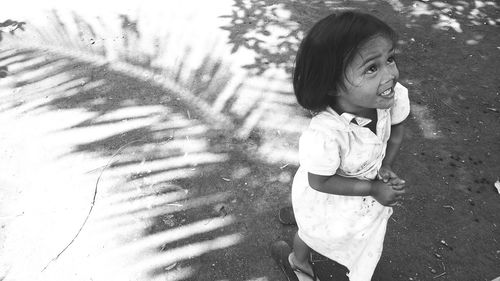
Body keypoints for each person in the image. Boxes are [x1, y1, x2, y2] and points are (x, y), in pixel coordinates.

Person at [272, 11, 411, 281]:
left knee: (344, 232)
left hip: (357, 200)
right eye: (372, 68)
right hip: (326, 194)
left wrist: (386, 165)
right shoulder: (326, 134)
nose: (390, 74)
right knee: (312, 232)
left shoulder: (390, 99)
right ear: (332, 85)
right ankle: (297, 261)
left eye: (390, 59)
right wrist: (372, 188)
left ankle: (304, 220)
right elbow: (320, 182)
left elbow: (396, 131)